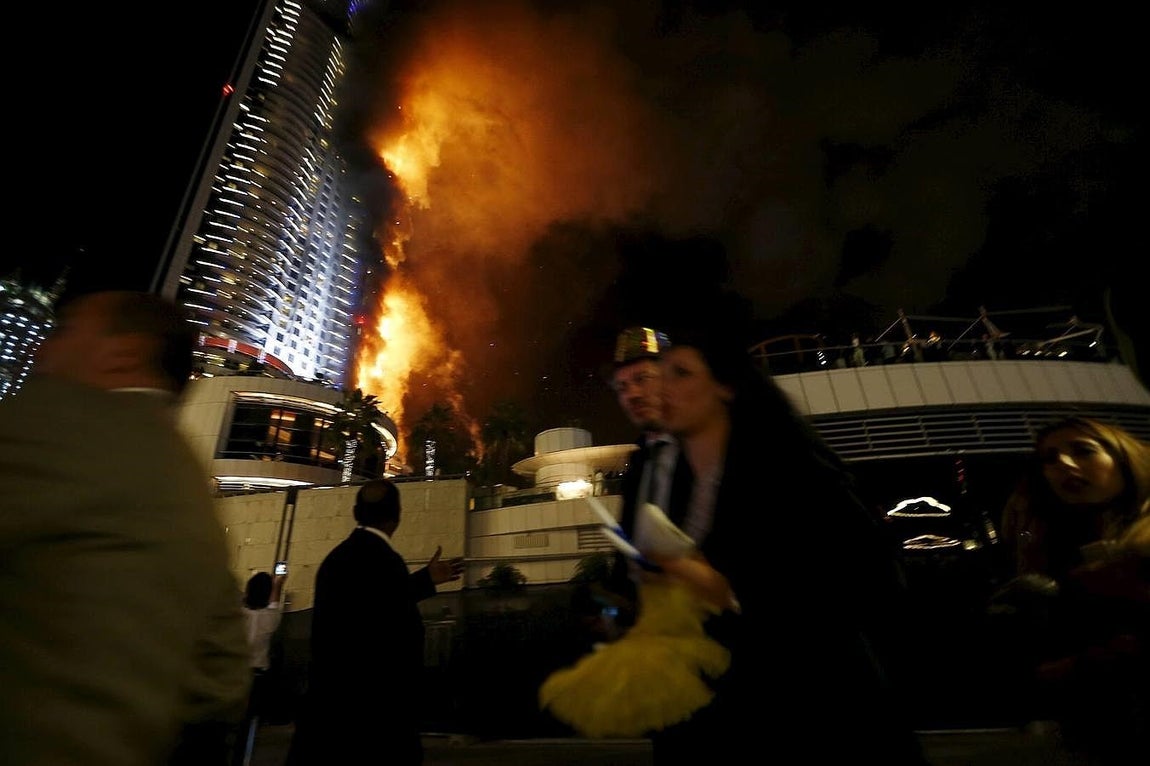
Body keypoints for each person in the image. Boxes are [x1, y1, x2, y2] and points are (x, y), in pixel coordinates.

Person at [647, 294, 927, 764]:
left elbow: (874, 579)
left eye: (681, 373)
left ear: (726, 387)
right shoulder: (674, 486)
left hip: (815, 716)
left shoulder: (793, 471)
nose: (660, 388)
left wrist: (731, 593)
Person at [0, 290, 250, 766]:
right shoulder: (192, 485)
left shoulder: (49, 422)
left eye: (65, 330)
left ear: (124, 354)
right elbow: (221, 677)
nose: (41, 348)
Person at [994, 416, 1149, 764]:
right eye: (1049, 458)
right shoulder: (1064, 537)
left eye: (1083, 450)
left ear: (1124, 457)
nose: (1063, 463)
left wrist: (1073, 667)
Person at [285, 478, 464, 765]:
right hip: (375, 720)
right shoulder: (386, 561)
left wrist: (423, 580)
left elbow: (370, 605)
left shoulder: (334, 560)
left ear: (356, 513)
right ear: (396, 518)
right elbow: (390, 618)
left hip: (326, 714)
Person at [231, 570, 287, 766]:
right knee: (248, 727)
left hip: (235, 675)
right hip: (258, 679)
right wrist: (277, 585)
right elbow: (273, 604)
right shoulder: (270, 619)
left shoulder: (238, 616)